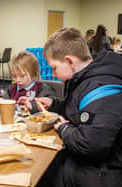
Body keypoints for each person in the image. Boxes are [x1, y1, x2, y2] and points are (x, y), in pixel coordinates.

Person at [36, 27, 122, 187]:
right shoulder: (83, 78)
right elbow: (79, 111)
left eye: (54, 67)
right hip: (92, 163)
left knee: (42, 176)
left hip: (103, 173)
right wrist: (54, 105)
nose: (53, 74)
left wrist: (63, 128)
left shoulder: (102, 87)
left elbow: (90, 144)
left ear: (70, 61)